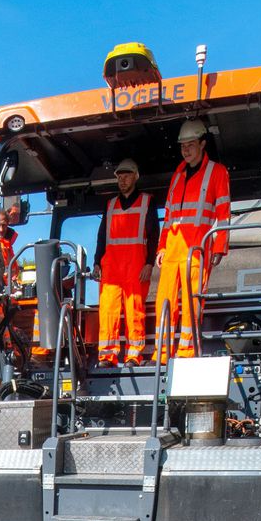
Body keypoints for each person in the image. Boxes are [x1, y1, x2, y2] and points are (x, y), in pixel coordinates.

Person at [154, 118, 232, 360]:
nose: (185, 150)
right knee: (164, 302)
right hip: (172, 250)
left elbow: (223, 212)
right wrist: (161, 247)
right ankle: (162, 352)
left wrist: (219, 246)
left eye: (190, 144)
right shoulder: (177, 176)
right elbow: (168, 217)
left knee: (192, 303)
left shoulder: (217, 173)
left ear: (202, 144)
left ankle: (187, 351)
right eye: (182, 146)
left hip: (197, 249)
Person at [94, 158, 158, 367]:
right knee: (108, 311)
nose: (123, 180)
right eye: (120, 176)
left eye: (127, 175)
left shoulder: (147, 202)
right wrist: (96, 262)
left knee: (135, 311)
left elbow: (154, 235)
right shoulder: (110, 205)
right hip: (111, 267)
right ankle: (107, 356)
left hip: (135, 266)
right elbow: (102, 236)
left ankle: (134, 355)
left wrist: (149, 263)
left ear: (135, 176)